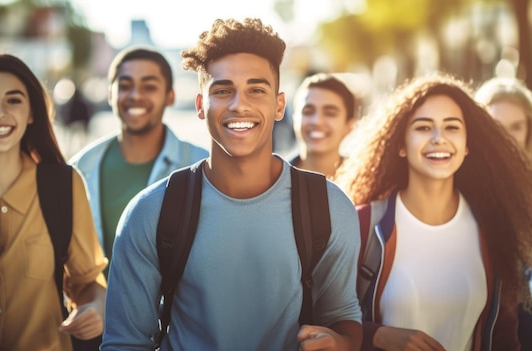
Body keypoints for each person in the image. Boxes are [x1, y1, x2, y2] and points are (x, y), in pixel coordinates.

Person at [101, 18, 362, 351]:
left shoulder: (329, 207)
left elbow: (344, 315)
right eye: (222, 90)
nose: (240, 104)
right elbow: (124, 343)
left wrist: (341, 342)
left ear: (279, 105)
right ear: (200, 106)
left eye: (257, 89)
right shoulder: (150, 212)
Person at [335, 73, 532, 350]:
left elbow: (504, 336)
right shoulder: (362, 223)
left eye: (452, 127)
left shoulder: (493, 230)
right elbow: (329, 320)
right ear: (400, 144)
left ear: (467, 145)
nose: (439, 138)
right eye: (423, 128)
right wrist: (378, 335)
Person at [0, 51, 107, 350]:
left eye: (14, 100)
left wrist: (95, 308)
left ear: (31, 113)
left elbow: (88, 283)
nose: (0, 112)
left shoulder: (64, 186)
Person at [69, 46, 209, 266]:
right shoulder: (80, 167)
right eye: (125, 86)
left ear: (170, 96)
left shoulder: (204, 167)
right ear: (110, 94)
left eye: (149, 86)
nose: (135, 96)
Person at [475, 77, 532, 351]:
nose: (508, 137)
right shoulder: (460, 181)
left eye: (517, 127)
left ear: (530, 131)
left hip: (521, 323)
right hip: (469, 318)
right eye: (497, 126)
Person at [289, 73, 357, 178]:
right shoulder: (269, 184)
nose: (317, 121)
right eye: (308, 111)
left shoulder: (369, 185)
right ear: (294, 118)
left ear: (349, 125)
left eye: (330, 113)